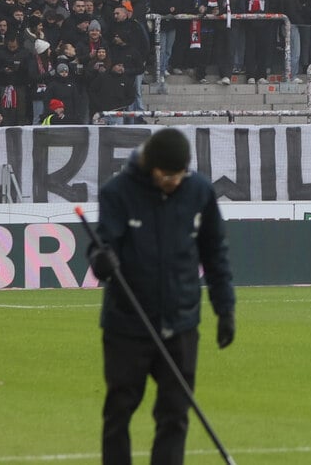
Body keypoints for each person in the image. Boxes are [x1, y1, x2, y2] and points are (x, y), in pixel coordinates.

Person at [88, 129, 236, 465]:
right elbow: (101, 249)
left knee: (175, 415)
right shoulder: (118, 193)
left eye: (180, 173)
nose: (174, 181)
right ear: (150, 167)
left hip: (180, 324)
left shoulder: (198, 191)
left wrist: (225, 309)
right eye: (168, 175)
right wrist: (102, 261)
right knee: (119, 412)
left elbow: (215, 253)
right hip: (128, 323)